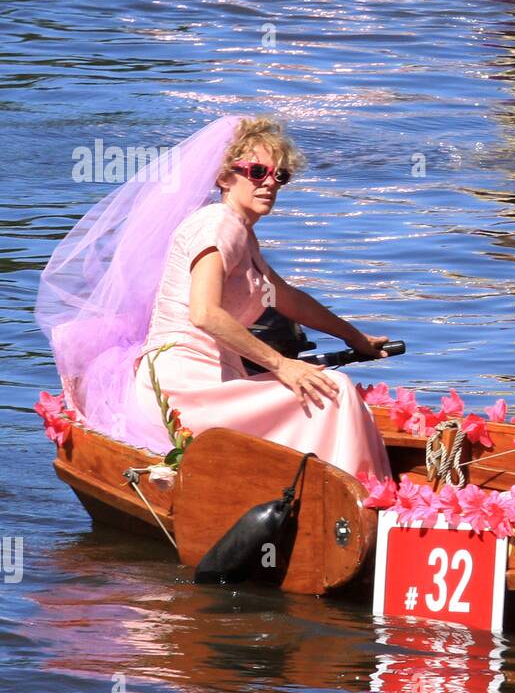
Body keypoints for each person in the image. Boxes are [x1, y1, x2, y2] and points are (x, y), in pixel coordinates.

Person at [37, 115, 391, 480]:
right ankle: (361, 500)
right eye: (257, 172)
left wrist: (355, 338)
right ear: (224, 177)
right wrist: (282, 364)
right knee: (333, 390)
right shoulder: (219, 224)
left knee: (323, 389)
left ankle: (326, 489)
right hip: (182, 390)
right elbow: (205, 313)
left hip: (208, 382)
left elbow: (287, 298)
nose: (270, 183)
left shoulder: (242, 236)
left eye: (280, 175)